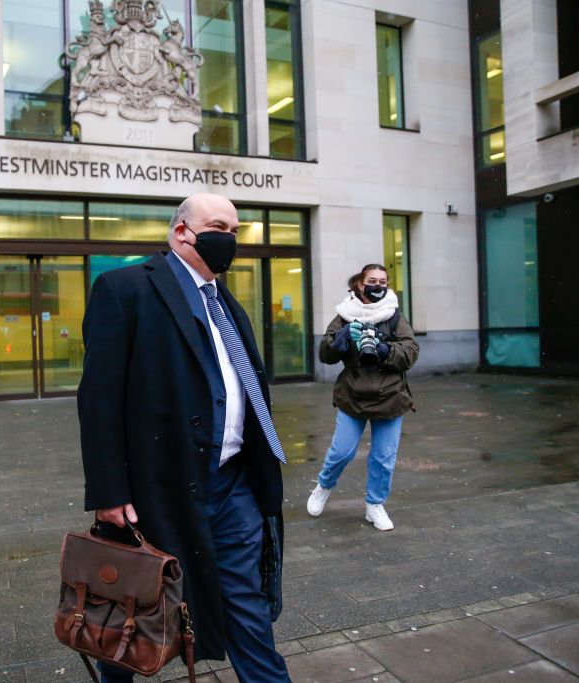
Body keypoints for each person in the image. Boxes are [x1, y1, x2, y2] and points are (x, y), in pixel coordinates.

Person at [77, 193, 291, 682]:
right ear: (181, 232)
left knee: (248, 609)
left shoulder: (226, 304)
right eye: (220, 227)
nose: (230, 240)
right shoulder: (125, 289)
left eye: (236, 231)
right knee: (132, 609)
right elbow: (99, 400)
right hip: (157, 490)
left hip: (233, 486)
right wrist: (109, 493)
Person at [306, 264, 419, 529]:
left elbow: (411, 351)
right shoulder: (345, 315)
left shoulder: (393, 315)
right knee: (341, 451)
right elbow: (325, 354)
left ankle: (374, 505)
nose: (377, 286)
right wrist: (341, 339)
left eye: (383, 281)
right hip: (353, 394)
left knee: (384, 457)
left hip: (391, 395)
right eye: (372, 280)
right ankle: (323, 486)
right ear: (359, 284)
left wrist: (383, 348)